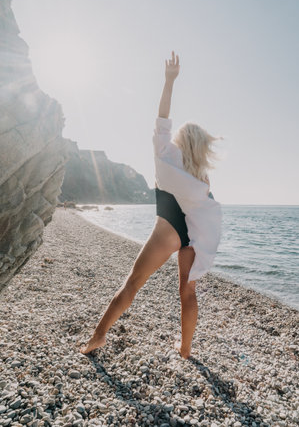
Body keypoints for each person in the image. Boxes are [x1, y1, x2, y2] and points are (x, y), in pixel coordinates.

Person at [80, 51, 222, 359]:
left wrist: (169, 81)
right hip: (192, 237)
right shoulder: (201, 176)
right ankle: (185, 349)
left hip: (166, 229)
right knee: (188, 292)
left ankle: (99, 335)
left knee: (133, 281)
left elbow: (162, 121)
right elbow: (205, 208)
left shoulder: (166, 157)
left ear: (181, 141)